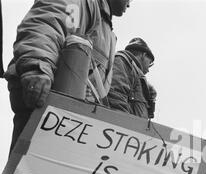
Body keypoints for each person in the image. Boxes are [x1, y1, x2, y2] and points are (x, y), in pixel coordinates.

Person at [4, 0, 132, 153]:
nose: (129, 4)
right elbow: (49, 24)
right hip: (48, 103)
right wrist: (38, 67)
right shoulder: (82, 5)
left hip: (73, 120)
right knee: (28, 165)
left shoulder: (107, 31)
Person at [107, 37, 157, 119]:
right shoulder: (123, 61)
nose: (148, 69)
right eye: (150, 63)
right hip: (121, 125)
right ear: (143, 55)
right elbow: (116, 96)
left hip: (133, 128)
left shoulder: (136, 75)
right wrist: (123, 123)